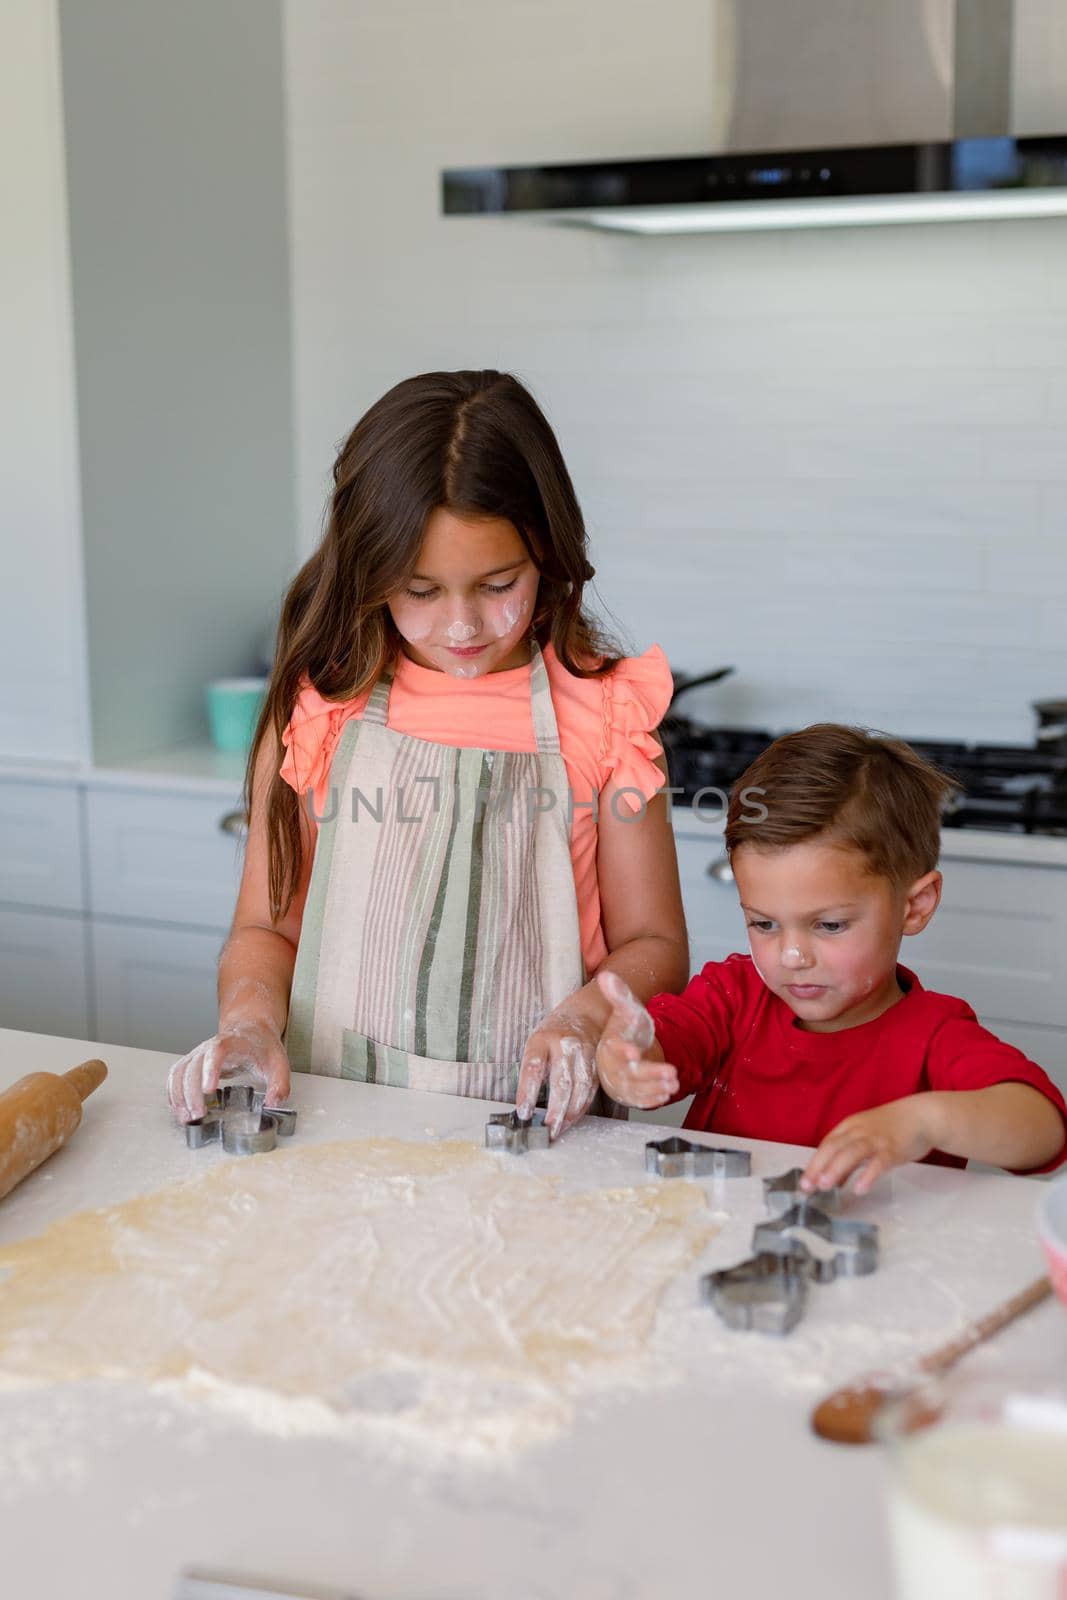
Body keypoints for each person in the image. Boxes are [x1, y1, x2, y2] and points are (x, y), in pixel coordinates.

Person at [167, 370, 687, 1139]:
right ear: (368, 573)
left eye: (496, 583)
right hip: (334, 1118)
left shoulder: (604, 715)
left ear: (546, 553)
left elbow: (656, 945)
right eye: (418, 590)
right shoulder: (321, 711)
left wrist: (587, 1014)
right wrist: (248, 1022)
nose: (463, 624)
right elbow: (266, 931)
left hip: (540, 1127)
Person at [596, 723, 1067, 1188]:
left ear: (915, 906)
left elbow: (1045, 1131)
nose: (793, 955)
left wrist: (926, 1120)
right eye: (764, 923)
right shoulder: (732, 997)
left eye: (829, 925)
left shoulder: (933, 1036)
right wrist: (628, 1058)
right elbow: (664, 1047)